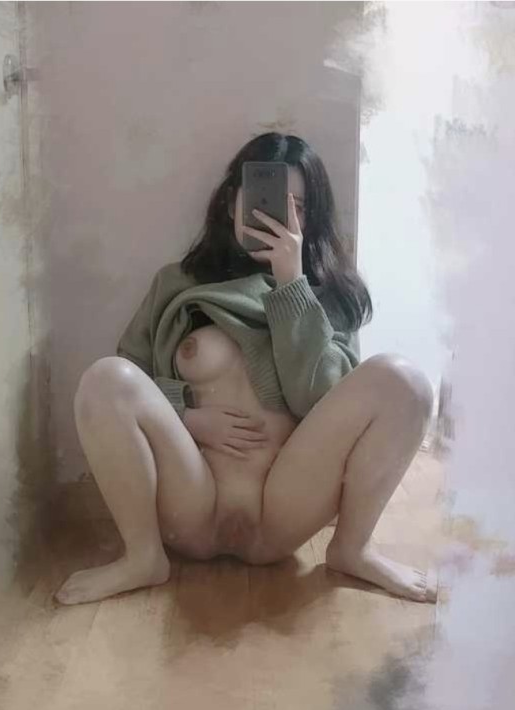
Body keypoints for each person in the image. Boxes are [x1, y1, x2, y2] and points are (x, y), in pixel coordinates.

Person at [55, 132, 436, 606]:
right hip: (191, 502)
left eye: (298, 206)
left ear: (312, 218)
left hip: (283, 510)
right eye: (266, 199)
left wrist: (292, 285)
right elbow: (130, 389)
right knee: (105, 378)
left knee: (405, 381)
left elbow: (322, 399)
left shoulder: (331, 297)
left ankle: (353, 550)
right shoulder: (177, 284)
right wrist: (188, 416)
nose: (279, 216)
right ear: (232, 201)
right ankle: (142, 556)